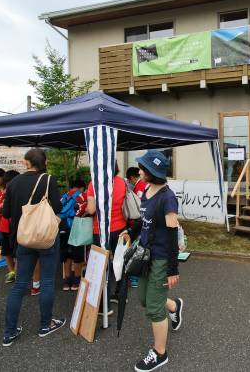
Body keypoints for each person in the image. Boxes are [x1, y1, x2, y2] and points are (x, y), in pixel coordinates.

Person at [120, 150, 182, 372]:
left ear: (152, 172)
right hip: (145, 255)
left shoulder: (168, 197)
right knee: (145, 299)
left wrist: (172, 270)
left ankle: (159, 353)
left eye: (143, 168)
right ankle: (174, 306)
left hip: (161, 260)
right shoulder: (146, 189)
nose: (139, 171)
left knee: (154, 308)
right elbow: (145, 220)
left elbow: (173, 234)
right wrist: (131, 230)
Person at [1, 148, 64, 347]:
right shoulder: (48, 180)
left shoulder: (14, 182)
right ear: (45, 162)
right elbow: (58, 208)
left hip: (24, 238)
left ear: (26, 162)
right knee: (46, 282)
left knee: (20, 285)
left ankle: (9, 333)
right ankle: (45, 325)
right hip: (46, 238)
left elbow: (6, 213)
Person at [86, 161, 128, 313]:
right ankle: (120, 296)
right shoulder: (123, 182)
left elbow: (91, 210)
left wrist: (84, 206)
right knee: (121, 263)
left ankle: (105, 306)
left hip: (101, 230)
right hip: (121, 229)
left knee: (103, 267)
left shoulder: (94, 183)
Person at [58, 179, 87, 291]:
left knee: (66, 255)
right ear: (82, 188)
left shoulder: (64, 196)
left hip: (63, 228)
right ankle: (77, 281)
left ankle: (67, 281)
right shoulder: (83, 196)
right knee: (78, 255)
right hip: (77, 228)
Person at [0, 170, 19, 284]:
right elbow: (0, 209)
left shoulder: (21, 191)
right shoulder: (5, 192)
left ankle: (18, 272)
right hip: (5, 225)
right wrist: (3, 204)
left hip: (18, 225)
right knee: (7, 251)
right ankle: (12, 271)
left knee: (18, 251)